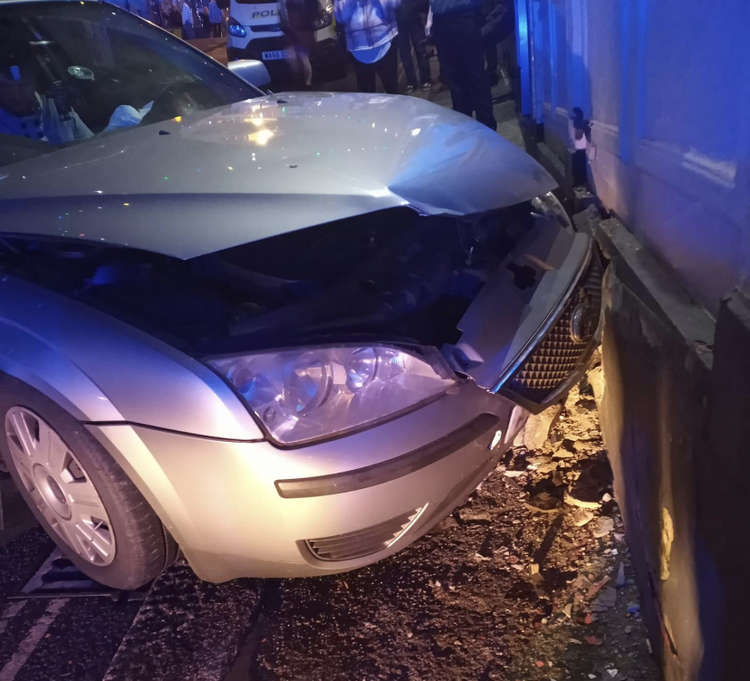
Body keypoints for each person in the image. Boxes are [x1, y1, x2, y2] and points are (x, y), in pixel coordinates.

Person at [428, 0, 496, 129]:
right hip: (447, 21)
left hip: (464, 18)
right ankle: (471, 131)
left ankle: (484, 132)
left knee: (474, 81)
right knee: (460, 84)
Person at [334, 0, 400, 94]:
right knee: (366, 97)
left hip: (385, 43)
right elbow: (340, 16)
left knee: (393, 92)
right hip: (358, 49)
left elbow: (394, 3)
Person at [280, 0, 318, 88]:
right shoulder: (285, 3)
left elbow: (312, 11)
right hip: (291, 31)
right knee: (293, 59)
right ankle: (300, 82)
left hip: (303, 31)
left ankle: (307, 84)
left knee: (303, 59)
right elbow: (283, 15)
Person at [396, 0, 430, 92]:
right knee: (405, 54)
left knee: (420, 50)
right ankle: (411, 82)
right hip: (399, 23)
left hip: (416, 19)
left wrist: (423, 12)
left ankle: (425, 79)